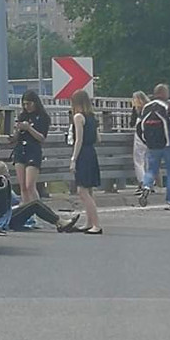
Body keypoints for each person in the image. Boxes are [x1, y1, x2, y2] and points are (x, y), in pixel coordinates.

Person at [0, 161, 80, 233]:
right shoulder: (1, 187)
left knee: (32, 204)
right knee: (35, 204)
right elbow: (8, 204)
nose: (8, 174)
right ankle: (61, 222)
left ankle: (60, 222)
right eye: (6, 172)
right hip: (6, 218)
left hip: (8, 214)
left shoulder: (2, 185)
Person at [137, 83, 170, 210]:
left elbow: (139, 127)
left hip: (152, 146)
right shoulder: (169, 107)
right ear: (165, 94)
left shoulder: (146, 107)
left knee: (151, 170)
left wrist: (146, 142)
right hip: (169, 145)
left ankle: (146, 186)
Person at [69, 89, 102, 234]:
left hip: (83, 154)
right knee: (89, 189)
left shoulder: (78, 117)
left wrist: (73, 159)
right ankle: (89, 222)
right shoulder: (92, 117)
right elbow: (98, 138)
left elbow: (78, 140)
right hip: (92, 152)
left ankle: (96, 224)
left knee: (82, 191)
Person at [12, 90, 51, 204]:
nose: (26, 106)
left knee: (30, 185)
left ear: (35, 103)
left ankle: (38, 209)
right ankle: (27, 212)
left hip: (33, 150)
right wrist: (16, 131)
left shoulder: (43, 117)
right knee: (22, 186)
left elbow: (42, 137)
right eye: (24, 104)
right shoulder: (22, 116)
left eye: (29, 104)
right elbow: (16, 136)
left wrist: (29, 128)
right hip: (21, 149)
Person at [130, 91, 150, 191]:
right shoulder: (150, 107)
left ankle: (142, 182)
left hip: (140, 135)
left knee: (138, 160)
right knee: (147, 159)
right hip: (151, 135)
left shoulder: (137, 109)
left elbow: (131, 123)